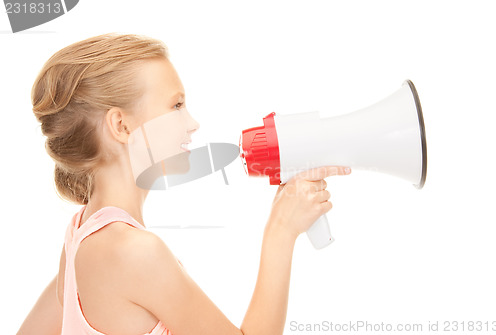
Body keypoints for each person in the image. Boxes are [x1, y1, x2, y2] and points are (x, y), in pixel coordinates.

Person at [17, 33, 351, 335]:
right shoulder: (134, 252)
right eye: (176, 105)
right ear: (121, 126)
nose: (192, 124)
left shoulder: (79, 234)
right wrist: (282, 229)